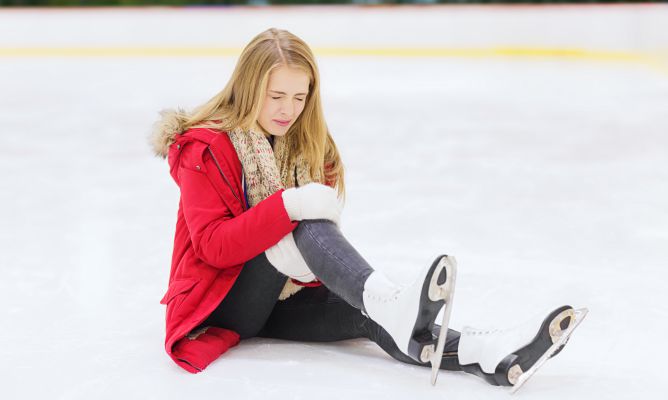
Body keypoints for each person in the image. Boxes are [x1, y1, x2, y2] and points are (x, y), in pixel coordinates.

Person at [149, 28, 585, 391]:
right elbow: (212, 248)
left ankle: (485, 353)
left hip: (288, 299)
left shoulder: (310, 144)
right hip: (222, 303)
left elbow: (317, 244)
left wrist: (303, 261)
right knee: (304, 219)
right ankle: (391, 302)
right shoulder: (204, 148)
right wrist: (289, 206)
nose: (289, 110)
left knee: (374, 318)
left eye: (300, 97)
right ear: (248, 88)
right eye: (276, 95)